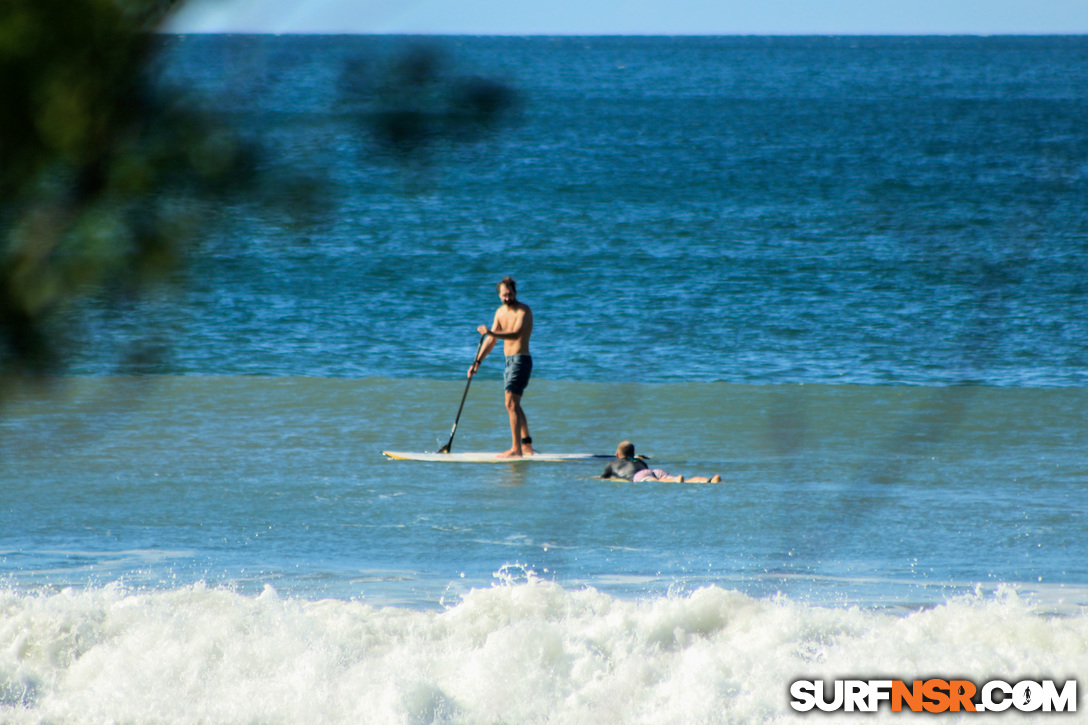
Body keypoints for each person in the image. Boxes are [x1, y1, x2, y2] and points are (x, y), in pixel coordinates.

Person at [468, 276, 534, 458]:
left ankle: (516, 450)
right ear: (499, 295)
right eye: (504, 295)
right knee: (514, 405)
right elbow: (491, 340)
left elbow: (515, 334)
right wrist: (477, 362)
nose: (507, 298)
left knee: (511, 403)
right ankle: (526, 445)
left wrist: (490, 331)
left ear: (515, 293)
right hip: (509, 362)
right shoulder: (499, 313)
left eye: (510, 294)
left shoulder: (524, 311)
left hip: (521, 360)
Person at [601, 441, 721, 483]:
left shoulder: (611, 464)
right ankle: (710, 480)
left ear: (617, 455)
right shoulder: (638, 460)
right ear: (633, 454)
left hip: (640, 476)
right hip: (652, 471)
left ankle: (674, 481)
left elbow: (603, 478)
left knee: (657, 481)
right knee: (686, 480)